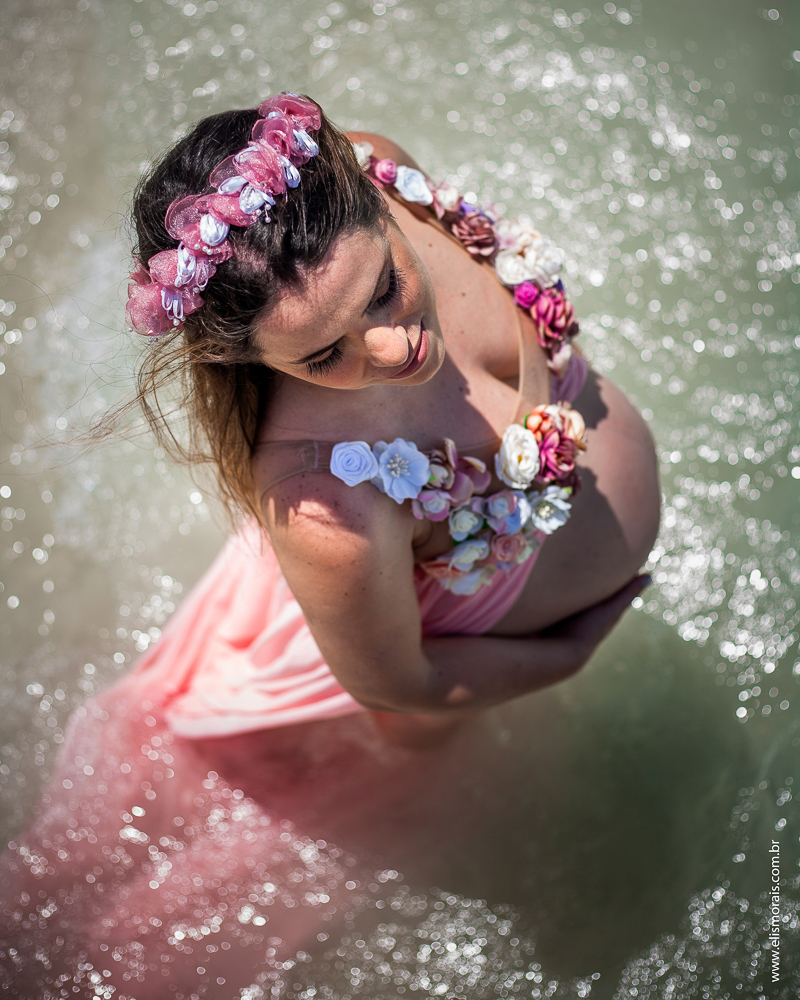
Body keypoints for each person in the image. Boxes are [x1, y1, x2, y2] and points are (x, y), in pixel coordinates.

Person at [119, 91, 660, 748]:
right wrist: (566, 658)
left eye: (382, 291)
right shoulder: (323, 501)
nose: (396, 348)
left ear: (380, 205)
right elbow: (399, 687)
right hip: (461, 691)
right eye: (322, 355)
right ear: (248, 359)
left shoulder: (387, 173)